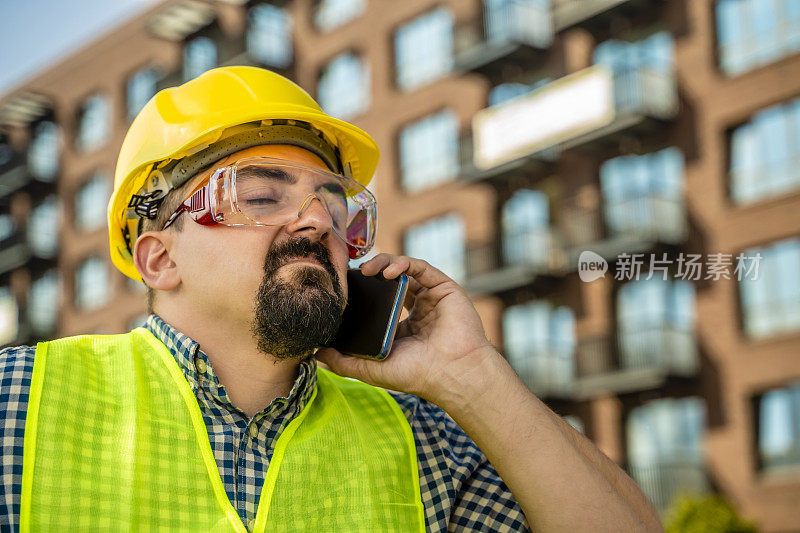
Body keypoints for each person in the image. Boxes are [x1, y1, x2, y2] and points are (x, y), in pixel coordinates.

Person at [0, 66, 661, 532]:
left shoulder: (424, 442)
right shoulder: (17, 406)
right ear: (161, 257)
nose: (317, 222)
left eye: (334, 203)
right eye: (261, 196)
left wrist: (473, 376)